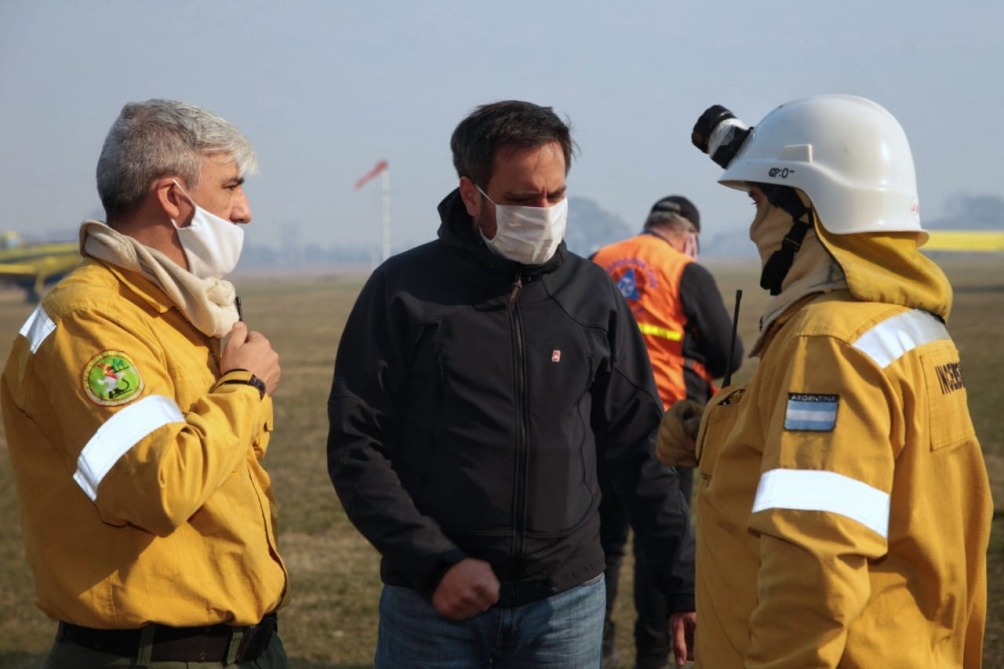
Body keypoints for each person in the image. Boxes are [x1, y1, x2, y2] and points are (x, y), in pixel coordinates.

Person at [326, 100, 696, 669]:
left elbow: (640, 448)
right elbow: (357, 446)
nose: (545, 211)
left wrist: (682, 584)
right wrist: (433, 563)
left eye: (556, 194)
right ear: (473, 195)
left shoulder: (592, 295)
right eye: (524, 199)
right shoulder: (403, 292)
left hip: (566, 606)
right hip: (432, 606)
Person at [657, 93, 992, 668]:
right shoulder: (910, 326)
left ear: (815, 212)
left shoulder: (827, 345)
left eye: (763, 203)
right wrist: (713, 427)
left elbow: (814, 556)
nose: (756, 225)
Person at [0, 99, 288, 668]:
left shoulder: (184, 312)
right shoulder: (92, 319)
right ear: (173, 197)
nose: (245, 210)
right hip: (152, 654)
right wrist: (243, 387)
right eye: (231, 186)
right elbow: (154, 487)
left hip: (243, 648)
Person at [592, 196, 742, 669]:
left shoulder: (600, 261)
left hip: (597, 419)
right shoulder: (684, 271)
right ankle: (653, 655)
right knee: (662, 541)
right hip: (665, 427)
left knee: (604, 544)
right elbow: (729, 353)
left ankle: (596, 648)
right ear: (688, 236)